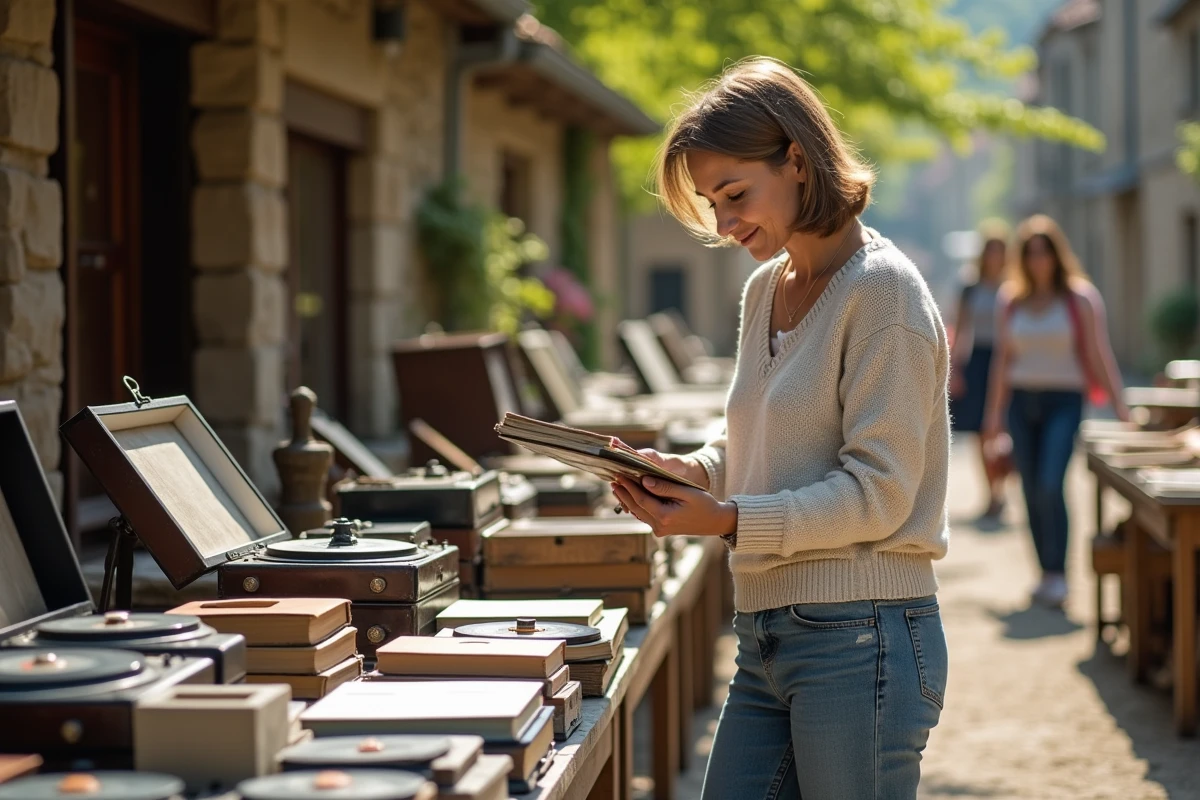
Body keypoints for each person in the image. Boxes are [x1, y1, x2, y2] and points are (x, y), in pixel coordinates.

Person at [608, 57, 950, 799]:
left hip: (863, 636)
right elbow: (757, 443)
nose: (725, 224)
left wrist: (728, 520)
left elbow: (881, 493)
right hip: (765, 635)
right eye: (711, 202)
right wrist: (689, 472)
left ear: (797, 160)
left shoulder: (884, 293)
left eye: (736, 195)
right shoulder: (766, 288)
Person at [982, 215, 1128, 608]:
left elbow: (1099, 353)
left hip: (1065, 401)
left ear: (1056, 254)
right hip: (1021, 403)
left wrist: (1119, 404)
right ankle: (1045, 573)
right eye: (1030, 253)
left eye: (1044, 252)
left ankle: (1060, 574)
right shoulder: (1010, 301)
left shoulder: (1079, 299)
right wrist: (993, 418)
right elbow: (1002, 361)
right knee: (1030, 489)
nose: (1038, 260)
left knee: (1050, 483)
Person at [949, 221, 1012, 521]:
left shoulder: (1015, 287)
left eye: (1000, 251)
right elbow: (960, 330)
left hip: (1010, 361)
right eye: (990, 251)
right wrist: (955, 369)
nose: (994, 257)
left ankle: (1003, 487)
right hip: (979, 360)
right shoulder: (970, 288)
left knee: (1006, 429)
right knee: (981, 433)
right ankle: (993, 494)